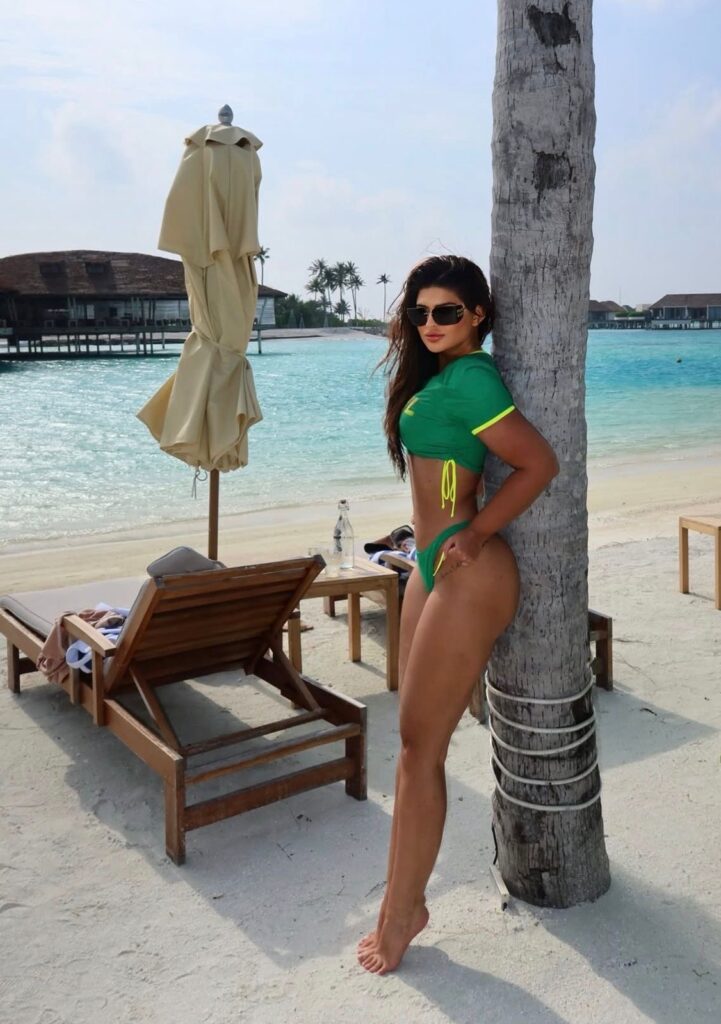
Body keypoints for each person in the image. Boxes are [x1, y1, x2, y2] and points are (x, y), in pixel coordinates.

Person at [357, 254, 559, 974]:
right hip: (430, 565)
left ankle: (402, 913)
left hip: (468, 572)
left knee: (421, 751)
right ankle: (400, 901)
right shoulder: (441, 377)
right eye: (420, 313)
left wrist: (475, 533)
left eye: (446, 311)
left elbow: (538, 463)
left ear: (477, 315)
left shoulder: (473, 377)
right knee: (411, 746)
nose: (430, 323)